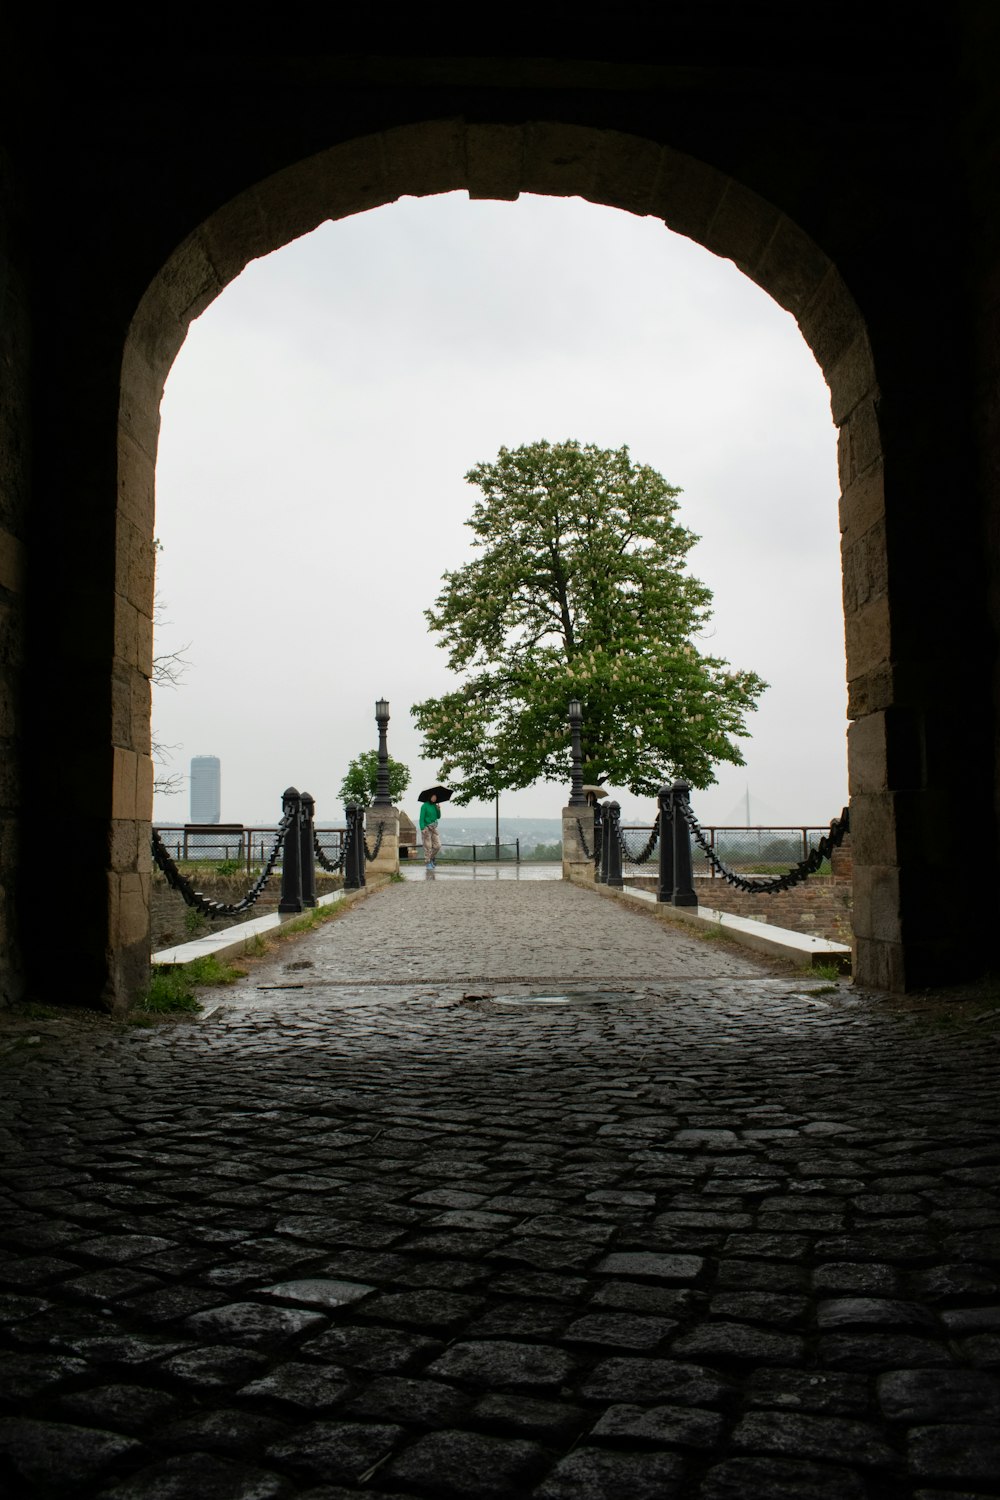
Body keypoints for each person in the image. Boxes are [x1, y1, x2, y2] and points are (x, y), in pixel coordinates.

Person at [419, 793, 441, 870]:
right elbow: (421, 818)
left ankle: (431, 858)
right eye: (433, 797)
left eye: (435, 797)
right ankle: (428, 862)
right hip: (426, 828)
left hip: (434, 828)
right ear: (429, 797)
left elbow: (438, 817)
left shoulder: (435, 806)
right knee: (428, 846)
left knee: (438, 846)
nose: (435, 798)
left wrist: (438, 809)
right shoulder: (424, 806)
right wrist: (422, 828)